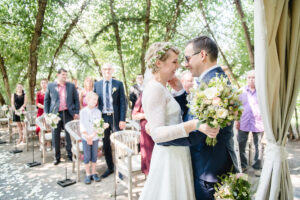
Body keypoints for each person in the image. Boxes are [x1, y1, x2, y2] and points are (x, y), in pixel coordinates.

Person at [159, 36, 240, 200]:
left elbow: (196, 134)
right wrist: (181, 93)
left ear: (202, 55)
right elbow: (194, 116)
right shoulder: (212, 81)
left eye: (187, 58)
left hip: (209, 171)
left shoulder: (215, 86)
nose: (185, 63)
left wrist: (160, 138)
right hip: (216, 163)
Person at [139, 42, 219, 200]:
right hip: (169, 159)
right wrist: (195, 125)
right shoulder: (155, 89)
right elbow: (157, 134)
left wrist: (180, 90)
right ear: (158, 63)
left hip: (177, 154)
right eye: (174, 61)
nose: (179, 65)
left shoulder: (163, 87)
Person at [94, 63, 127, 178]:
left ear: (112, 70)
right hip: (103, 118)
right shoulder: (97, 85)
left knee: (119, 143)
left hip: (116, 118)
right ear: (102, 71)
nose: (107, 71)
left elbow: (123, 102)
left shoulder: (118, 84)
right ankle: (110, 167)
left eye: (109, 69)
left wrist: (122, 119)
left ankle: (122, 169)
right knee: (106, 144)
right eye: (105, 69)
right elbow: (94, 103)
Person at [44, 68, 80, 165]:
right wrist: (46, 114)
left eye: (66, 75)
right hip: (55, 115)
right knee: (55, 135)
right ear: (57, 75)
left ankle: (70, 155)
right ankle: (57, 157)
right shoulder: (50, 86)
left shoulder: (71, 86)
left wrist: (76, 112)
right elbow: (46, 101)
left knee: (69, 136)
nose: (65, 76)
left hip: (68, 113)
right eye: (63, 74)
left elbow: (76, 100)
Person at [236, 70, 264, 176]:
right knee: (241, 144)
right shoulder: (241, 91)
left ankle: (257, 167)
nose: (251, 79)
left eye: (253, 77)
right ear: (246, 79)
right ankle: (243, 165)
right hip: (243, 121)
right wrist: (236, 120)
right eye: (249, 77)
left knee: (258, 146)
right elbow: (236, 107)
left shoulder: (262, 91)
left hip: (258, 122)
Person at [80, 91, 109, 184]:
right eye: (94, 99)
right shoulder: (83, 111)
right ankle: (88, 174)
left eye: (96, 100)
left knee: (94, 155)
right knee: (87, 156)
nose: (95, 101)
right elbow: (82, 125)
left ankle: (93, 172)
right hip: (86, 137)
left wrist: (92, 136)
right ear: (87, 100)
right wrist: (87, 137)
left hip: (95, 137)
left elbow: (98, 125)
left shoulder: (98, 112)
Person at [132, 93, 154, 175]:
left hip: (161, 131)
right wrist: (147, 115)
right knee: (149, 155)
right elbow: (134, 115)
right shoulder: (143, 95)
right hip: (147, 133)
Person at [36, 79, 51, 151]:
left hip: (48, 112)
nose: (44, 84)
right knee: (40, 129)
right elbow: (37, 103)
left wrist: (47, 108)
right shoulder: (38, 93)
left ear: (47, 84)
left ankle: (48, 144)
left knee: (48, 128)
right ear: (40, 84)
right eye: (42, 83)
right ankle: (41, 144)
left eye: (45, 83)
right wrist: (45, 107)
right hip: (40, 112)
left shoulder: (49, 92)